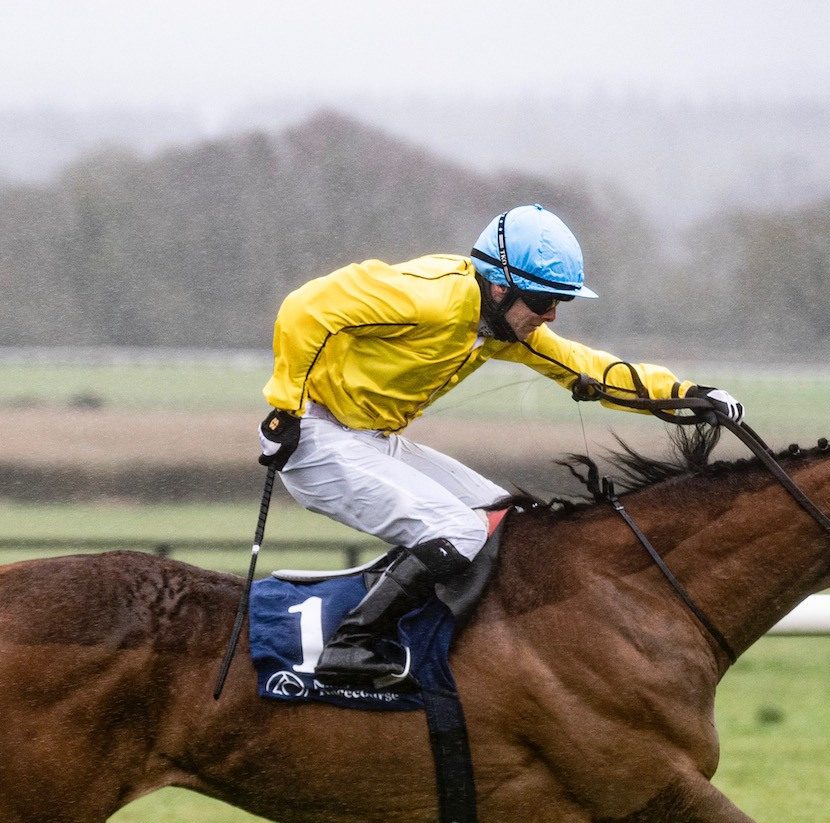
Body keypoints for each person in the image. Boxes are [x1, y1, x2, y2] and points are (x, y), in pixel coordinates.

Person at [258, 204, 743, 688]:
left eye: (560, 303)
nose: (551, 314)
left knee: (503, 517)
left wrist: (685, 397)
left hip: (369, 440)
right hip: (314, 440)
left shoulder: (500, 327)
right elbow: (305, 309)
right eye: (543, 300)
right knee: (458, 530)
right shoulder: (433, 297)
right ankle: (351, 646)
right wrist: (286, 408)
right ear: (499, 285)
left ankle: (453, 645)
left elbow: (591, 369)